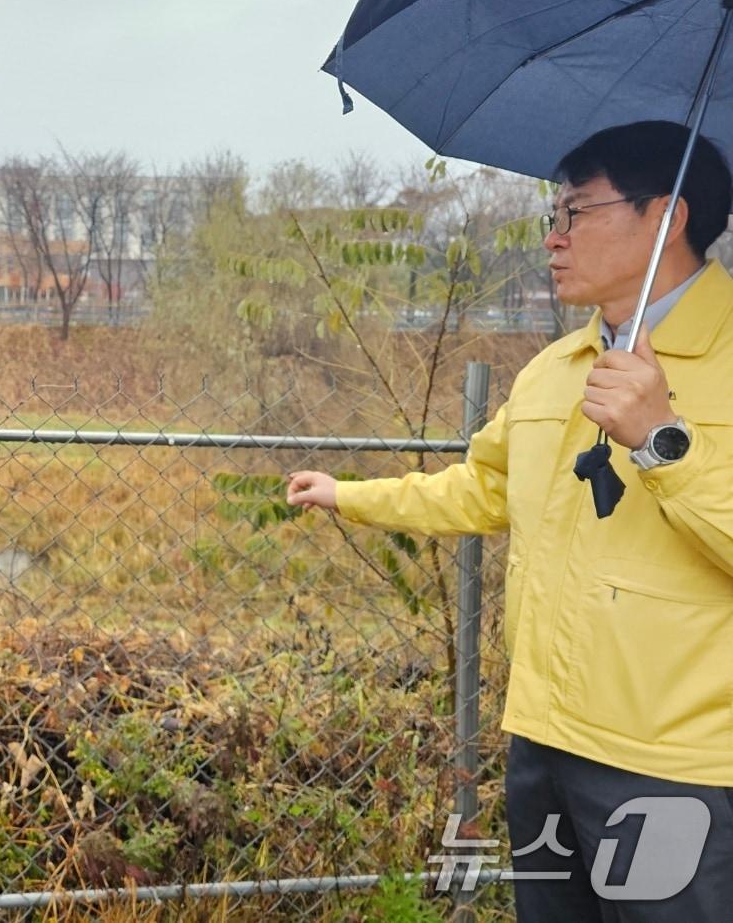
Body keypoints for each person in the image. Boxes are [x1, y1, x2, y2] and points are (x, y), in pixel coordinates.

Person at [287, 120, 733, 921]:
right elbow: (482, 490)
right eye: (551, 217)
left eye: (576, 213)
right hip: (547, 742)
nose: (554, 238)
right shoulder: (556, 371)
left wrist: (663, 441)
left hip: (675, 765)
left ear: (668, 214)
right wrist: (348, 495)